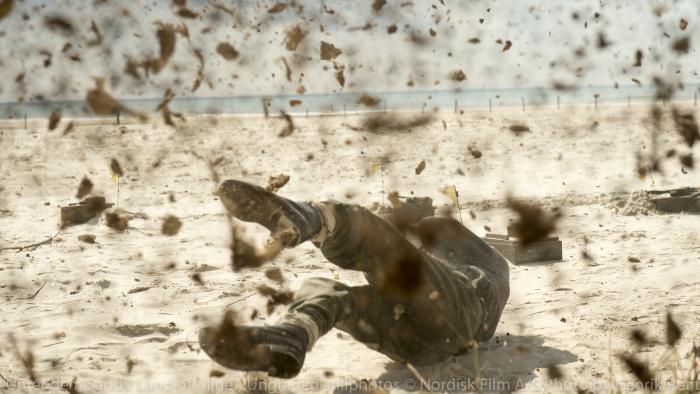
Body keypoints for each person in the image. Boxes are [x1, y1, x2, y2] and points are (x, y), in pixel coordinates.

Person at [199, 179, 510, 379]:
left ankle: (311, 218)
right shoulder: (443, 264)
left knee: (371, 236)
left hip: (454, 316)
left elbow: (423, 245)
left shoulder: (453, 246)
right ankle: (294, 335)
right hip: (414, 341)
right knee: (325, 292)